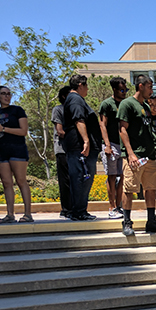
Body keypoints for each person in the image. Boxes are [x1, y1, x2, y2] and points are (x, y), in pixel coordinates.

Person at [117, 75, 156, 236]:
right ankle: (126, 222)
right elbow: (122, 129)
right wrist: (130, 153)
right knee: (129, 189)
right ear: (140, 86)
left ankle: (151, 221)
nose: (151, 90)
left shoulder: (145, 106)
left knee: (151, 188)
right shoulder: (127, 104)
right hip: (135, 156)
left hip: (150, 156)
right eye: (149, 87)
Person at [63, 74, 102, 221]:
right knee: (81, 177)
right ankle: (78, 211)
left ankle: (80, 210)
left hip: (80, 147)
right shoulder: (75, 99)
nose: (87, 89)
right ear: (80, 85)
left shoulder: (76, 99)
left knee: (83, 178)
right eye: (86, 86)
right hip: (79, 146)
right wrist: (86, 141)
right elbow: (79, 119)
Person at [0, 86, 32, 223]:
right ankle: (10, 214)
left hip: (17, 149)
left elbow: (23, 131)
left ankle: (28, 214)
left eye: (9, 94)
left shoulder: (17, 110)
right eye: (3, 94)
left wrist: (3, 129)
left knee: (21, 181)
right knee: (6, 183)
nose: (7, 96)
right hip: (1, 151)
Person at [99, 77, 127, 219]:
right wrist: (107, 145)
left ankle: (119, 205)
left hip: (123, 145)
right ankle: (112, 207)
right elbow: (102, 124)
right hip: (111, 144)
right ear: (114, 90)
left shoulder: (125, 104)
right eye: (122, 90)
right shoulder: (107, 104)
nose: (124, 92)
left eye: (126, 90)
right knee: (111, 176)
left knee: (122, 177)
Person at [52, 86, 72, 219]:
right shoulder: (58, 109)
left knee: (76, 180)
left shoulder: (76, 109)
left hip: (75, 151)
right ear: (64, 96)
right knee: (65, 181)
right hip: (62, 150)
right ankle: (66, 209)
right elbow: (59, 130)